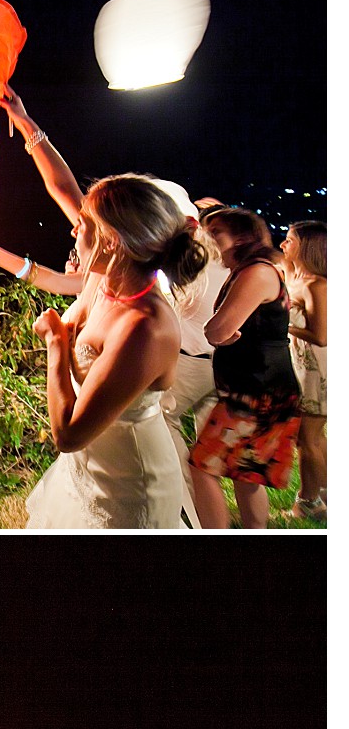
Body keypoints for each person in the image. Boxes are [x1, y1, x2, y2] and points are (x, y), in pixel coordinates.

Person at [0, 89, 208, 528]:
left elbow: (68, 433)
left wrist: (56, 342)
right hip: (89, 470)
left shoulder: (145, 326)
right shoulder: (104, 273)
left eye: (83, 228)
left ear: (112, 241)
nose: (74, 234)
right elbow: (63, 188)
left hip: (129, 486)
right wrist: (24, 119)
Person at [189, 208, 301, 529]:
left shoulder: (258, 273)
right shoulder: (246, 271)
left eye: (216, 232)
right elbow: (222, 331)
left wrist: (220, 333)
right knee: (246, 473)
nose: (208, 239)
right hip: (257, 388)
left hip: (259, 393)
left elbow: (218, 330)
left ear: (242, 237)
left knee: (202, 466)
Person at [159, 199, 230, 526]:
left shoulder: (190, 271)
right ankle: (214, 519)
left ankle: (186, 500)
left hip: (193, 364)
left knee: (162, 418)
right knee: (207, 457)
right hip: (225, 365)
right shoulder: (232, 270)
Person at [281, 221, 327, 520]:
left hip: (319, 369)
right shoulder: (293, 277)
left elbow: (322, 336)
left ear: (306, 246)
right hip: (302, 366)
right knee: (312, 438)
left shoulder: (317, 285)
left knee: (307, 439)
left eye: (289, 240)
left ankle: (309, 502)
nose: (283, 244)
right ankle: (321, 496)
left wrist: (280, 325)